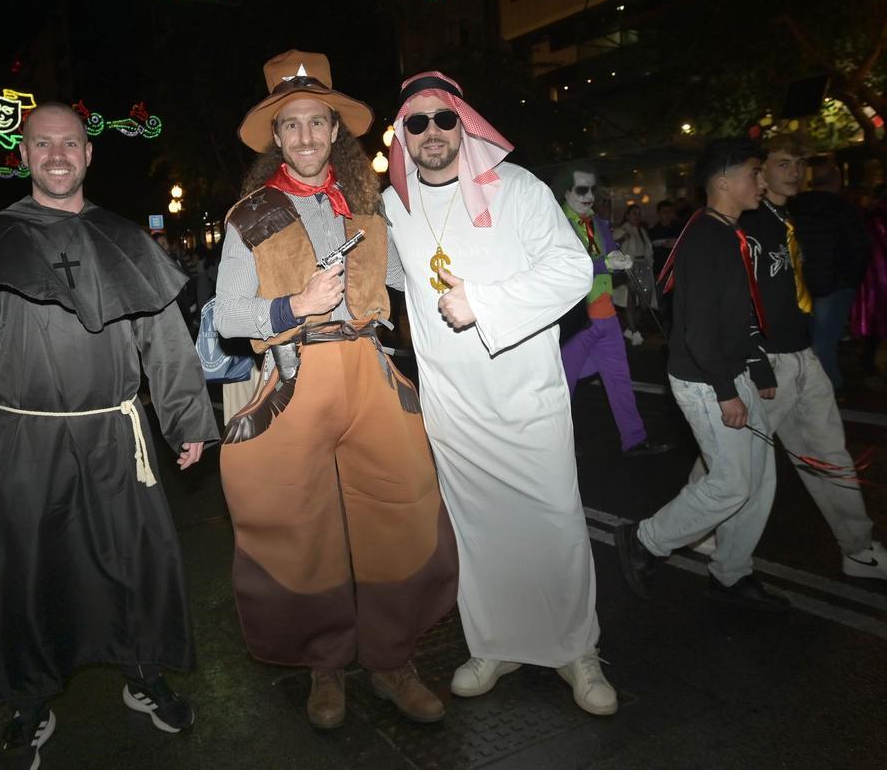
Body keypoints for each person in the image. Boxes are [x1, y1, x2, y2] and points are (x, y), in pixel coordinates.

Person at [0, 102, 219, 770]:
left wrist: (185, 417)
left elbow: (163, 340)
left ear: (88, 154)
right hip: (25, 439)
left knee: (133, 559)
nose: (57, 154)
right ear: (23, 156)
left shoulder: (124, 239)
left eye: (70, 143)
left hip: (116, 432)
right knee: (28, 570)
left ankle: (144, 671)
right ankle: (29, 697)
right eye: (42, 144)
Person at [214, 50, 458, 730]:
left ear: (334, 131)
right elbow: (230, 313)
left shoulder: (368, 206)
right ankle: (327, 662)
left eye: (317, 122)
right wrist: (294, 303)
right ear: (277, 138)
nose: (306, 136)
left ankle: (391, 659)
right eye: (291, 126)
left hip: (368, 372)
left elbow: (420, 278)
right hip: (296, 378)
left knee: (401, 511)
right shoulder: (255, 212)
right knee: (299, 528)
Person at [383, 71, 617, 716]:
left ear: (465, 120)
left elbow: (573, 270)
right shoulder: (393, 204)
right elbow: (392, 282)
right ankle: (495, 643)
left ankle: (577, 650)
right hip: (453, 404)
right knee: (478, 532)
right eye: (416, 122)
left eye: (443, 118)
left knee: (556, 524)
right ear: (401, 134)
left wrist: (482, 303)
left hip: (524, 395)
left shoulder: (518, 189)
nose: (432, 132)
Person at [692, 135, 886, 579]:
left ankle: (858, 549)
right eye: (783, 163)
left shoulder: (784, 217)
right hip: (766, 361)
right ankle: (690, 529)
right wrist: (748, 358)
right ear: (757, 172)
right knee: (729, 461)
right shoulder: (741, 223)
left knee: (828, 454)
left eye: (799, 162)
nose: (795, 171)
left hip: (802, 354)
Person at [614, 138, 788, 612]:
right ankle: (646, 541)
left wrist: (758, 367)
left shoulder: (726, 233)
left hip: (731, 372)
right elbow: (698, 328)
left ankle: (731, 573)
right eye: (756, 172)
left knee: (758, 480)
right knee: (732, 482)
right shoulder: (705, 240)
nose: (763, 181)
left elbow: (736, 315)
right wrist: (727, 390)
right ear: (724, 181)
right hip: (706, 380)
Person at [557, 164, 670, 456]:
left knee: (619, 379)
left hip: (606, 315)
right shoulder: (555, 223)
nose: (589, 195)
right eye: (582, 189)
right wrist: (605, 264)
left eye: (593, 189)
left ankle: (634, 439)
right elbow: (563, 267)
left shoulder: (599, 223)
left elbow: (608, 255)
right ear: (566, 191)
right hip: (576, 319)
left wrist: (620, 258)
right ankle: (554, 448)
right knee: (562, 389)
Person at [792, 160, 871, 392]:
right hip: (833, 285)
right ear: (836, 180)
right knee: (823, 344)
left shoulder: (797, 206)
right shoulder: (844, 209)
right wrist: (850, 281)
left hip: (807, 284)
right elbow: (858, 249)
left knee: (812, 343)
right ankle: (829, 391)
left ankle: (821, 391)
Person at [853, 183, 887, 375]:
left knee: (876, 321)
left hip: (873, 278)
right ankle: (868, 362)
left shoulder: (871, 217)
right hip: (878, 277)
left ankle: (868, 361)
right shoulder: (874, 217)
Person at [612, 204, 659, 344]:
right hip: (630, 266)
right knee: (631, 300)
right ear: (627, 215)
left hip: (643, 266)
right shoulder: (621, 230)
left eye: (639, 213)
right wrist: (621, 239)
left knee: (645, 302)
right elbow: (612, 246)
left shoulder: (642, 231)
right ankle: (633, 330)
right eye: (634, 213)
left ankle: (629, 328)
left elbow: (648, 252)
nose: (637, 216)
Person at [649, 199, 679, 328]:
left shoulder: (678, 229)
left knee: (676, 305)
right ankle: (665, 334)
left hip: (676, 272)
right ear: (659, 213)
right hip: (660, 273)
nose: (667, 214)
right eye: (664, 212)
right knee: (662, 305)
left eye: (670, 211)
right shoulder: (653, 231)